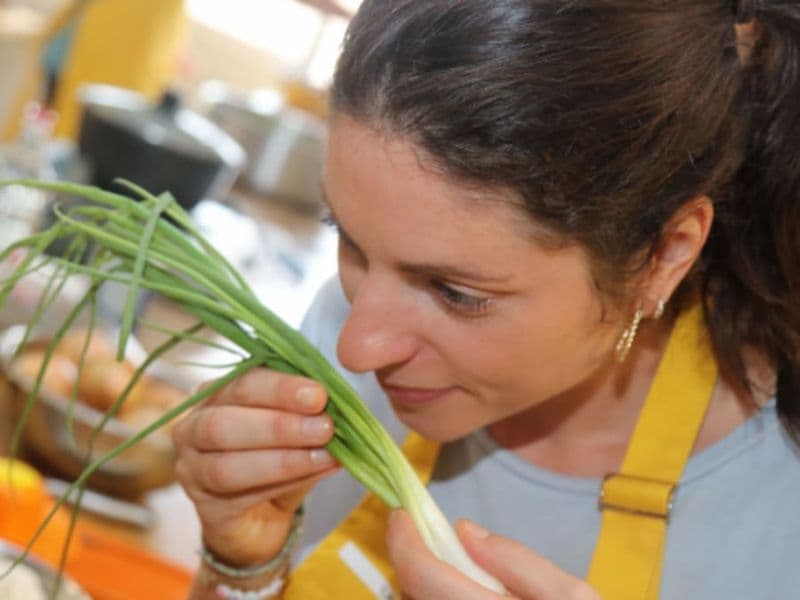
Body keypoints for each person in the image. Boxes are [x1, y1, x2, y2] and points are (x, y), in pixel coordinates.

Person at [175, 1, 800, 598]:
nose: (356, 348)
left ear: (663, 257)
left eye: (456, 293)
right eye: (348, 238)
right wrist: (244, 564)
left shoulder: (777, 510)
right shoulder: (346, 331)